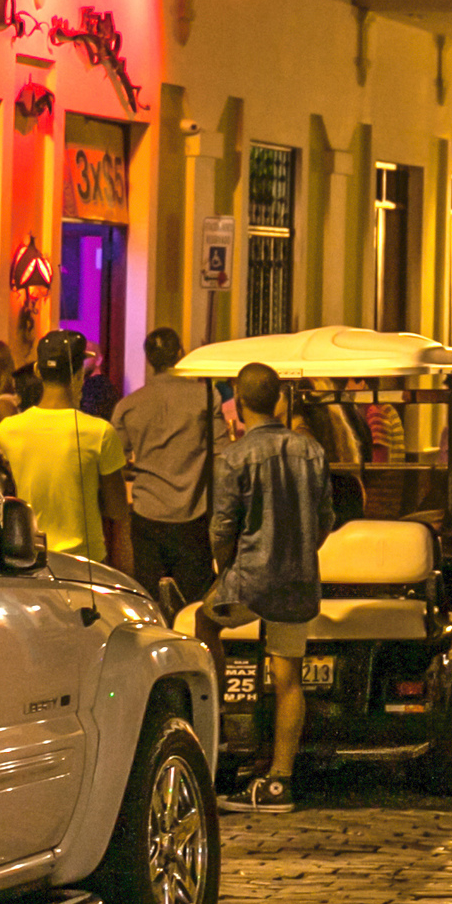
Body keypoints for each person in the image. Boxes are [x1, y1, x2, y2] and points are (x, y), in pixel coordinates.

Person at [200, 362, 336, 815]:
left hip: (250, 581)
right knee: (288, 678)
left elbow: (222, 528)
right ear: (279, 399)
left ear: (238, 403)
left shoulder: (233, 457)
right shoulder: (311, 451)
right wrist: (302, 550)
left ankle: (216, 722)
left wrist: (225, 570)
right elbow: (325, 519)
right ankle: (280, 778)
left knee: (204, 623)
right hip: (297, 580)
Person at [0, 332, 130, 577]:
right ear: (79, 375)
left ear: (37, 371)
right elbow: (117, 509)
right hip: (86, 561)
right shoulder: (100, 432)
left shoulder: (8, 429)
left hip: (31, 557)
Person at [112, 326, 216, 610]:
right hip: (193, 513)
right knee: (194, 606)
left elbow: (117, 462)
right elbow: (223, 453)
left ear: (148, 360)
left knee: (149, 603)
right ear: (180, 354)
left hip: (148, 513)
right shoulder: (206, 398)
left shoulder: (128, 406)